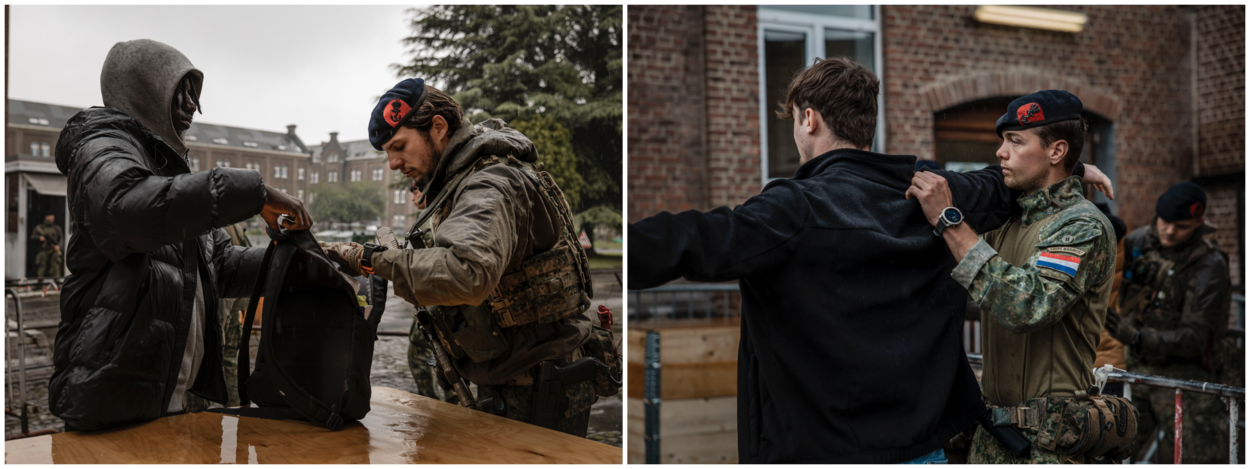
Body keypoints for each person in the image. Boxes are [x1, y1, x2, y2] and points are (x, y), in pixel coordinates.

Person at [626, 59, 1113, 465]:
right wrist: (1071, 170)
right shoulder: (930, 190)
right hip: (924, 452)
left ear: (809, 119)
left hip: (823, 453)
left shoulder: (793, 207)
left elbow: (698, 237)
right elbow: (996, 183)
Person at [319, 78, 618, 436]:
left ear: (439, 127)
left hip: (539, 382)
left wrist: (366, 259)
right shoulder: (466, 180)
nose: (394, 163)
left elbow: (466, 272)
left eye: (399, 146)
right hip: (518, 373)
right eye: (387, 153)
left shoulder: (488, 183)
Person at [50, 39, 312, 431]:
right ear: (142, 90)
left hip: (171, 405)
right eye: (179, 91)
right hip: (113, 406)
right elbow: (125, 210)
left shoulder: (175, 177)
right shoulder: (101, 146)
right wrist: (255, 192)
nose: (191, 104)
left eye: (195, 93)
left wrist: (306, 259)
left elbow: (221, 267)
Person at [910, 90, 1128, 465]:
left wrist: (950, 220)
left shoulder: (1082, 225)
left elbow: (1028, 305)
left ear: (1056, 151)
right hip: (993, 438)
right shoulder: (1009, 220)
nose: (1000, 152)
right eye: (1002, 141)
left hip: (1049, 447)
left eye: (1015, 141)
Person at [1106, 182, 1232, 466]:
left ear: (1199, 222)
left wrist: (1136, 336)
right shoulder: (1138, 242)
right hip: (1136, 371)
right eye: (1165, 222)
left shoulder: (1209, 264)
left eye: (1182, 226)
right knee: (1108, 454)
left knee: (1201, 459)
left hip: (1188, 380)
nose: (1170, 231)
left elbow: (1196, 337)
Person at [403, 179, 441, 400]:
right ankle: (453, 403)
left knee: (419, 353)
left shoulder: (428, 220)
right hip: (439, 300)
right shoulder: (442, 213)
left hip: (433, 303)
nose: (412, 196)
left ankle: (431, 404)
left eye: (415, 190)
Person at [31, 213, 64, 278]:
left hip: (53, 250)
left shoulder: (56, 228)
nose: (52, 217)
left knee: (56, 263)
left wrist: (58, 246)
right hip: (43, 250)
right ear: (46, 216)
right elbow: (32, 236)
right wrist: (40, 238)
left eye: (53, 216)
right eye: (50, 215)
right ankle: (39, 282)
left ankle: (57, 282)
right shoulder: (40, 227)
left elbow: (61, 239)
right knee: (41, 264)